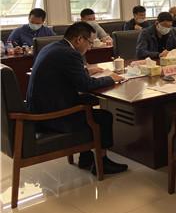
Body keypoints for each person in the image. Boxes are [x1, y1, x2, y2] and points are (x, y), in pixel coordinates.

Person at [26, 22, 128, 174]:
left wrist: (86, 71)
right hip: (52, 117)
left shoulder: (52, 47)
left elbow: (65, 74)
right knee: (104, 116)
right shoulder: (70, 54)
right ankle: (102, 162)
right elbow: (85, 85)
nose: (90, 47)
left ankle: (86, 157)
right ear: (79, 39)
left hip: (40, 108)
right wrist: (111, 78)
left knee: (89, 100)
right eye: (90, 42)